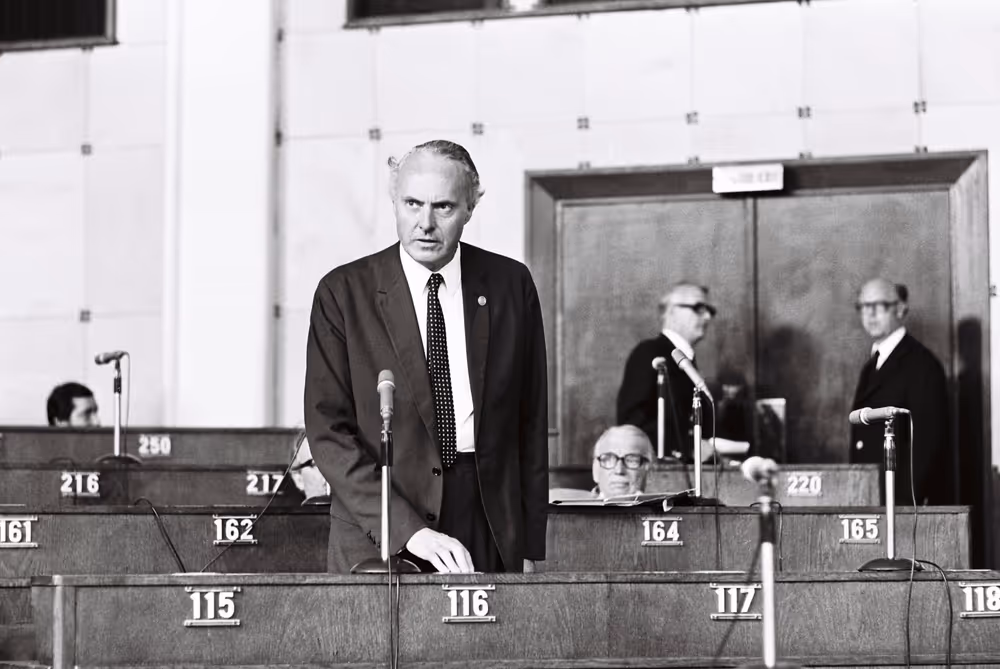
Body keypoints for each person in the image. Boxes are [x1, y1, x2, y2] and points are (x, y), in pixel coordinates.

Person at [304, 139, 548, 574]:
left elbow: (529, 422)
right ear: (393, 200)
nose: (425, 224)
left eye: (444, 207)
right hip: (377, 524)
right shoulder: (343, 293)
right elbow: (328, 433)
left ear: (472, 206)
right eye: (412, 203)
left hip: (487, 521)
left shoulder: (512, 284)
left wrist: (527, 545)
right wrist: (408, 530)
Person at [849, 278, 950, 505]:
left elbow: (926, 444)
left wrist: (905, 504)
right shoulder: (872, 365)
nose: (870, 314)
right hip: (871, 498)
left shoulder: (922, 365)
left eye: (880, 305)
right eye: (864, 306)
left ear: (901, 309)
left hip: (900, 504)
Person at [616, 283, 715, 462]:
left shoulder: (688, 363)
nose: (707, 317)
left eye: (709, 311)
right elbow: (633, 424)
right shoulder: (649, 353)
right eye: (699, 308)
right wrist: (689, 446)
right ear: (670, 311)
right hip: (661, 475)